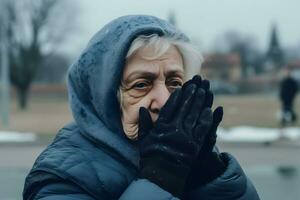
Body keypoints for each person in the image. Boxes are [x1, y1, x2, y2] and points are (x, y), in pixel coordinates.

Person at [23, 15, 260, 200]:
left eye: (174, 83)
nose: (165, 100)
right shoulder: (60, 178)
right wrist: (161, 176)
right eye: (141, 84)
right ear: (102, 98)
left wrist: (209, 176)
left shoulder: (184, 150)